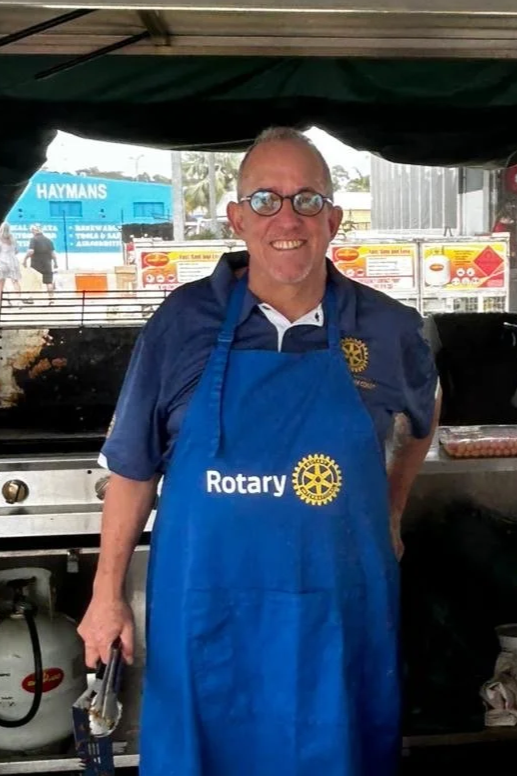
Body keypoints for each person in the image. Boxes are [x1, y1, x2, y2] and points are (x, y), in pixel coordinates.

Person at [78, 127, 440, 776]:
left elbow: (426, 409)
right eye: (266, 200)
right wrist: (106, 596)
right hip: (206, 621)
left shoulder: (387, 329)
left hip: (337, 620)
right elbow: (133, 466)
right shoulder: (182, 322)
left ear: (332, 220)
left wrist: (392, 506)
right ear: (238, 218)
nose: (287, 219)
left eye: (307, 200)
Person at [23, 224, 57, 296]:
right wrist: (55, 263)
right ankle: (51, 298)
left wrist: (25, 259)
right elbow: (53, 253)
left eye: (32, 231)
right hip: (47, 264)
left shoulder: (33, 239)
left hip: (36, 264)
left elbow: (31, 251)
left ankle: (32, 297)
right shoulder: (49, 240)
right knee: (49, 282)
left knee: (32, 281)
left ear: (33, 231)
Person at [0, 222, 21, 299]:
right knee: (15, 281)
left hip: (2, 262)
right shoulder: (13, 239)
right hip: (13, 261)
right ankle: (19, 300)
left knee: (1, 283)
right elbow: (17, 251)